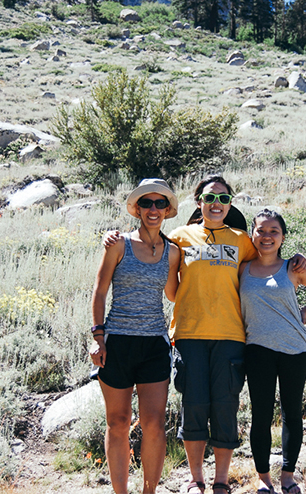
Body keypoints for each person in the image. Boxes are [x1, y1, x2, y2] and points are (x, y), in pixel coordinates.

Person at [168, 176, 306, 494]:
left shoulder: (241, 240)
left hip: (232, 336)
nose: (216, 203)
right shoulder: (179, 237)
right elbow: (172, 291)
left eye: (223, 197)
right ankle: (195, 479)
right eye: (209, 197)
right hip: (189, 334)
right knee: (194, 405)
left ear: (230, 203)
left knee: (224, 406)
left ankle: (220, 481)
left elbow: (267, 266)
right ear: (198, 201)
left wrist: (296, 263)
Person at [90, 178, 181, 494]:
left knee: (154, 425)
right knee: (118, 424)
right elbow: (100, 291)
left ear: (168, 209)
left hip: (154, 344)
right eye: (147, 203)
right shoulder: (119, 244)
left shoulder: (173, 253)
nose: (153, 209)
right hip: (117, 343)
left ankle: (149, 491)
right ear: (138, 209)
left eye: (159, 204)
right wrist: (97, 337)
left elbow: (173, 295)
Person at [239, 209, 306, 494]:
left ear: (282, 237)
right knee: (261, 415)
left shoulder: (293, 267)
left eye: (274, 231)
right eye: (261, 230)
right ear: (252, 234)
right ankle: (263, 478)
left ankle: (288, 476)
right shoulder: (242, 267)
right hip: (257, 350)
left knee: (292, 412)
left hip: (294, 350)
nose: (267, 236)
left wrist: (304, 312)